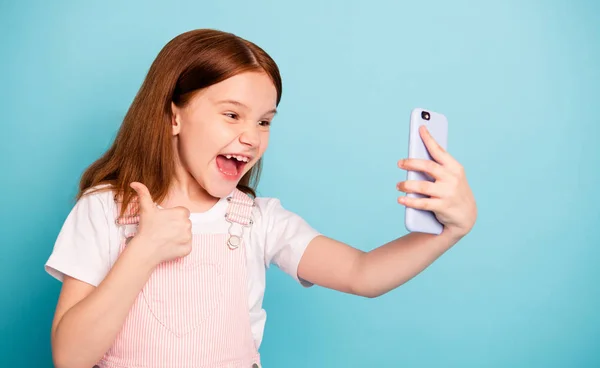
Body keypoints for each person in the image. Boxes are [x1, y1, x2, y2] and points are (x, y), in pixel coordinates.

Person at [45, 29, 477, 368]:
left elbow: (361, 274)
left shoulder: (259, 220)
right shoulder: (105, 209)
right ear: (173, 115)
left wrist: (449, 232)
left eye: (265, 121)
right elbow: (70, 357)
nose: (251, 137)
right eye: (232, 114)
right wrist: (143, 252)